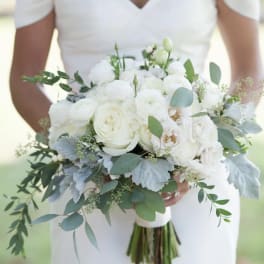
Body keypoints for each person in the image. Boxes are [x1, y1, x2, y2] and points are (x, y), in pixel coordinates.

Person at [10, 1, 263, 263]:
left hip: (196, 179)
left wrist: (199, 150)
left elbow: (249, 73)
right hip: (90, 186)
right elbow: (24, 81)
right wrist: (87, 154)